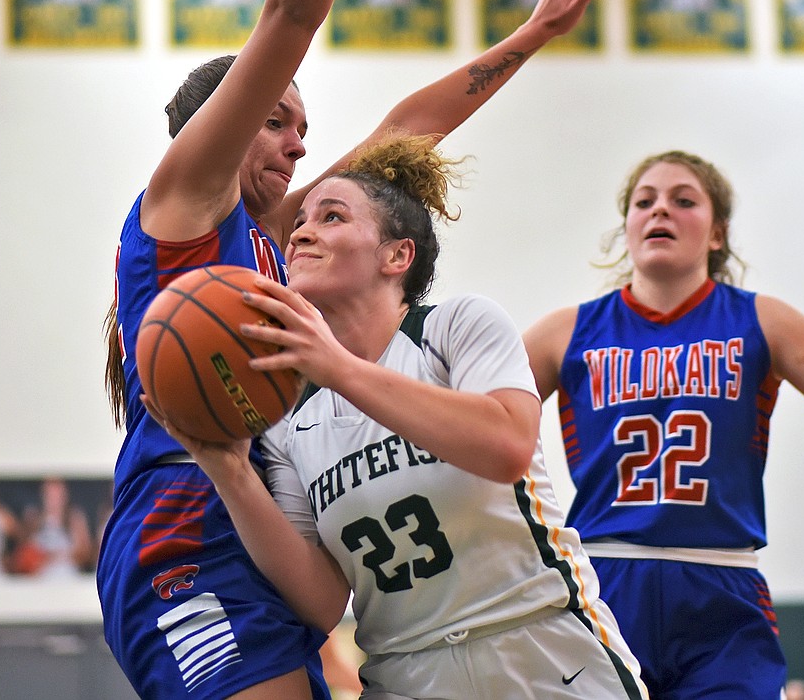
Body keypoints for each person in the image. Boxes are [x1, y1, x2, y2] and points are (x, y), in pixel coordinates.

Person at [97, 0, 602, 697]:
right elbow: (293, 12)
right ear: (217, 125)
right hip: (184, 534)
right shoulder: (184, 203)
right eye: (275, 120)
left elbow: (404, 132)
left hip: (264, 531)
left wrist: (532, 32)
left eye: (304, 128)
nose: (300, 145)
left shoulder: (270, 239)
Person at [158, 135, 648, 699]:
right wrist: (231, 473)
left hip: (542, 653)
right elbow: (321, 601)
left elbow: (508, 444)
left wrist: (339, 368)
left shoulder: (456, 327)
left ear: (397, 255)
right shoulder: (287, 415)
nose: (300, 232)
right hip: (404, 673)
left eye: (332, 216)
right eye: (299, 226)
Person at [521, 150, 804, 699]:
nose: (660, 211)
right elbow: (472, 426)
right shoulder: (564, 332)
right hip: (606, 580)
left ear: (717, 233)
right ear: (626, 229)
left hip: (720, 585)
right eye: (644, 202)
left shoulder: (763, 321)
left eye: (683, 200)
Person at [11, 476, 93, 579]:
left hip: (68, 576)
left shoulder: (75, 518)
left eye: (57, 493)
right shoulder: (33, 518)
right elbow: (21, 556)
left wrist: (61, 556)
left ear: (65, 494)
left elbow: (86, 554)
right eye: (49, 493)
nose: (54, 498)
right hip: (40, 579)